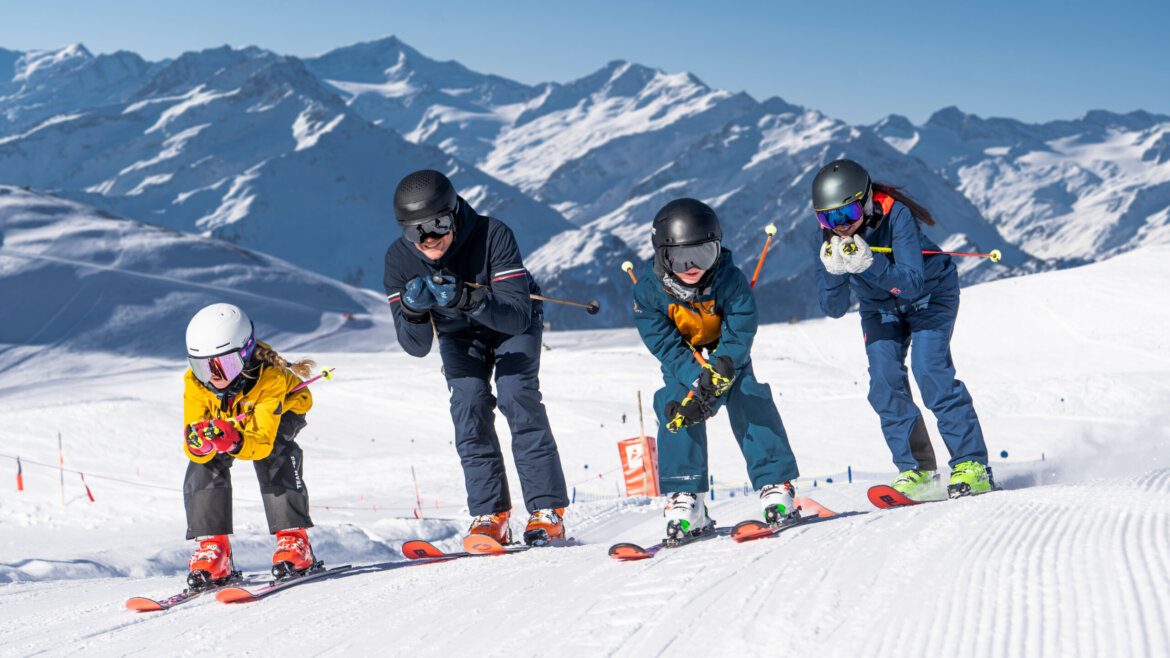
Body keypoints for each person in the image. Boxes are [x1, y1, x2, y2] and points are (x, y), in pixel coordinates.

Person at [383, 169, 569, 546]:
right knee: (468, 404)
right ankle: (491, 515)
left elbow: (517, 315)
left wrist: (466, 298)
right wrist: (414, 312)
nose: (429, 238)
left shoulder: (492, 235)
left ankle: (547, 512)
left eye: (437, 224)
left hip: (510, 322)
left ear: (454, 214)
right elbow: (415, 346)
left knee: (517, 394)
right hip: (457, 333)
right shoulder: (399, 261)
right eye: (415, 231)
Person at [812, 158, 995, 499]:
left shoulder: (897, 215)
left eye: (846, 215)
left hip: (929, 294)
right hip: (880, 308)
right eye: (827, 218)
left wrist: (871, 264)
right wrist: (835, 272)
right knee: (884, 382)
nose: (839, 226)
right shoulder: (830, 239)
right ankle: (918, 470)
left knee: (930, 371)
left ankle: (972, 465)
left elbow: (912, 282)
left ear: (865, 202)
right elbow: (833, 309)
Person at [632, 198, 801, 540]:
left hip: (726, 351)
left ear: (717, 249)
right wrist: (696, 379)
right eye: (680, 257)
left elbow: (740, 332)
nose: (692, 266)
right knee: (676, 403)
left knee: (747, 393)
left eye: (704, 254)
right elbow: (664, 344)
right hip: (686, 356)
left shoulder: (730, 280)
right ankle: (687, 497)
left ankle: (775, 481)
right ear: (664, 256)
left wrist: (720, 372)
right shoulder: (648, 292)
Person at [182, 303, 318, 588]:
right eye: (202, 367)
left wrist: (234, 440)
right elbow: (191, 434)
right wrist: (200, 444)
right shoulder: (196, 383)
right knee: (205, 459)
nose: (213, 376)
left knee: (276, 453)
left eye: (223, 365)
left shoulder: (271, 378)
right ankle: (214, 548)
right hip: (230, 416)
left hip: (279, 413)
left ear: (244, 355)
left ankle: (294, 539)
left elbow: (262, 442)